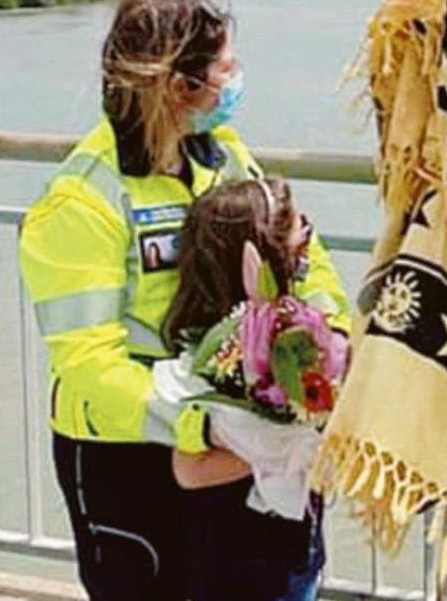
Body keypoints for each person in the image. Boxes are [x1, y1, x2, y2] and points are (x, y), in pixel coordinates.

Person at [18, 0, 349, 600]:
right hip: (133, 455)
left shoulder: (223, 159)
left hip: (230, 435)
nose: (237, 78)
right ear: (178, 85)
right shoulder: (84, 201)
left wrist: (328, 349)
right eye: (226, 68)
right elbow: (88, 365)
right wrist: (199, 424)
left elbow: (303, 262)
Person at [162, 178, 329, 601]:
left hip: (291, 550)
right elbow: (189, 470)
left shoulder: (293, 338)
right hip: (237, 563)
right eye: (302, 235)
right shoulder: (207, 364)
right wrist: (284, 450)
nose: (307, 247)